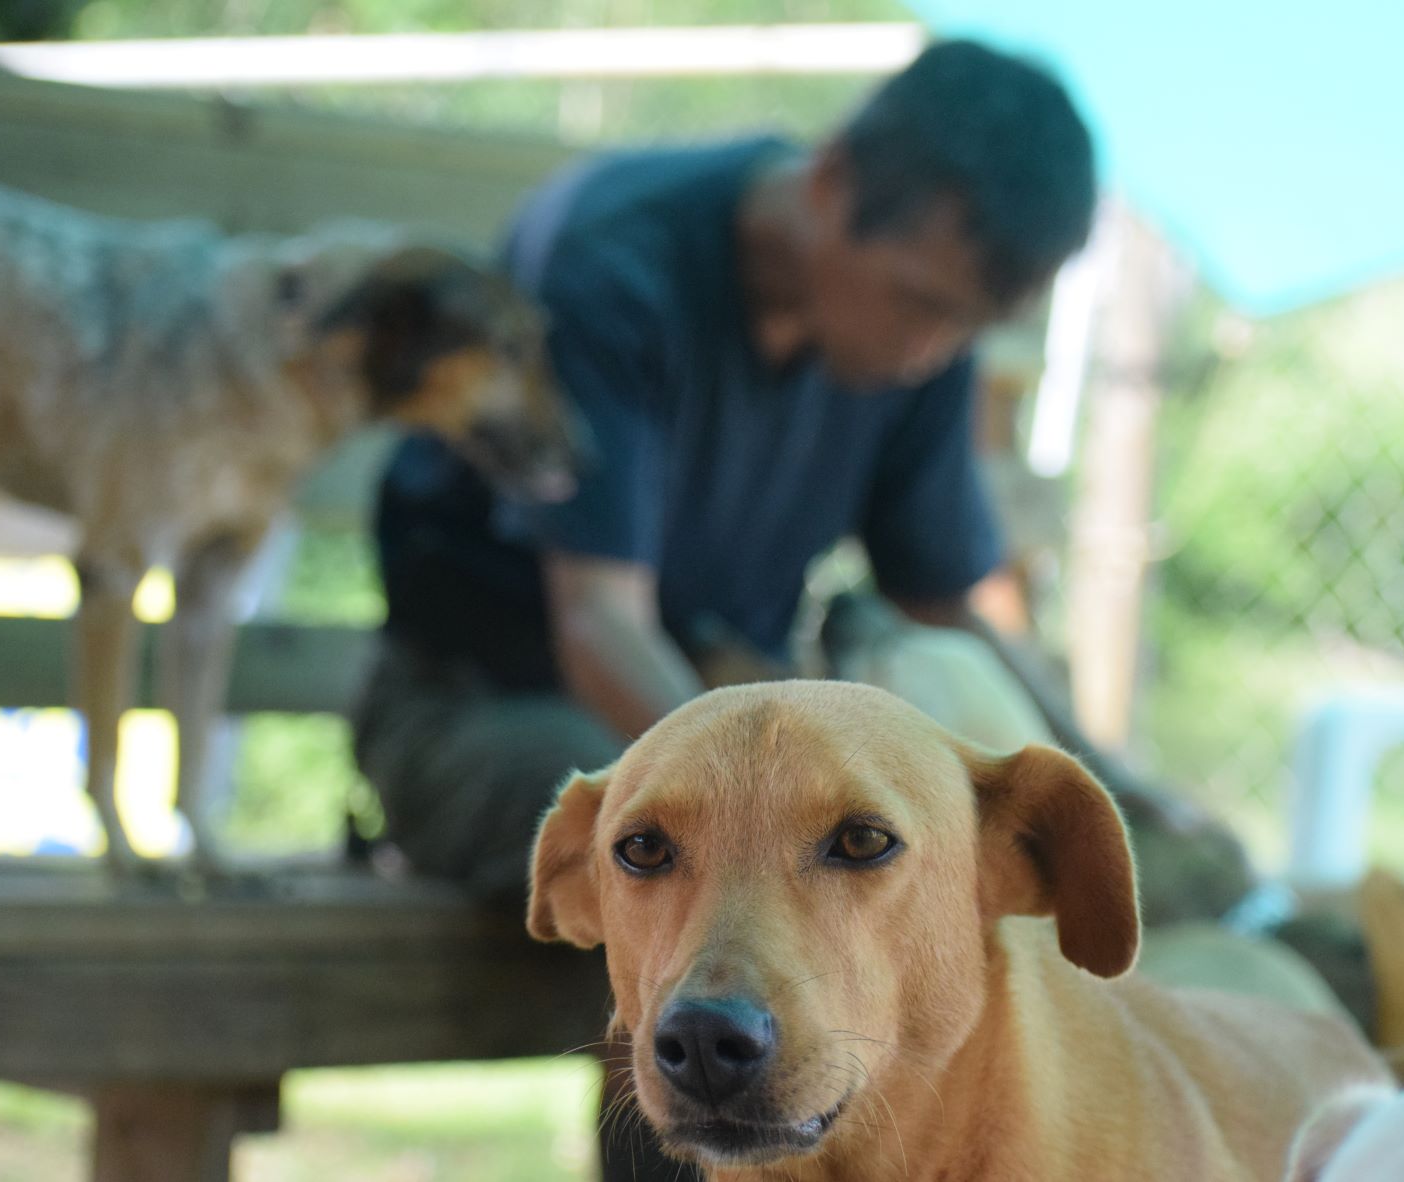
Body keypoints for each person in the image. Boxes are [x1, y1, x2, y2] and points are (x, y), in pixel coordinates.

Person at [354, 37, 1241, 1181]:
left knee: (1118, 858)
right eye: (921, 303)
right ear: (830, 189)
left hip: (727, 718)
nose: (933, 348)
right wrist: (726, 816)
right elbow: (597, 625)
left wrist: (1116, 772)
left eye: (961, 329)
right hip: (485, 708)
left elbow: (948, 604)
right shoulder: (615, 266)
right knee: (676, 859)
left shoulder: (912, 346)